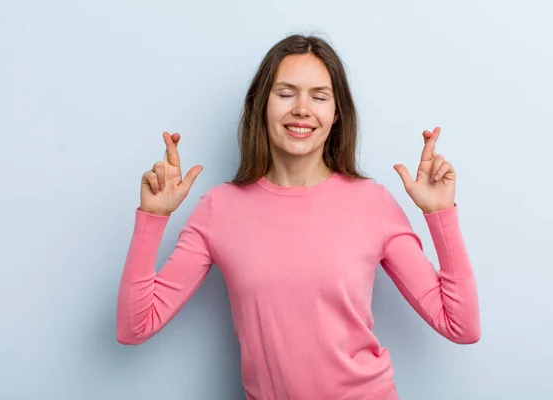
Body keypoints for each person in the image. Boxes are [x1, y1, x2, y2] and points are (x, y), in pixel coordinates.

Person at [116, 34, 480, 400]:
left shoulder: (373, 202)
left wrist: (439, 214)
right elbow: (135, 327)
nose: (302, 109)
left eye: (319, 97)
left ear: (336, 114)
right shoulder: (219, 208)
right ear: (261, 105)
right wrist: (153, 217)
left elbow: (461, 326)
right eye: (286, 93)